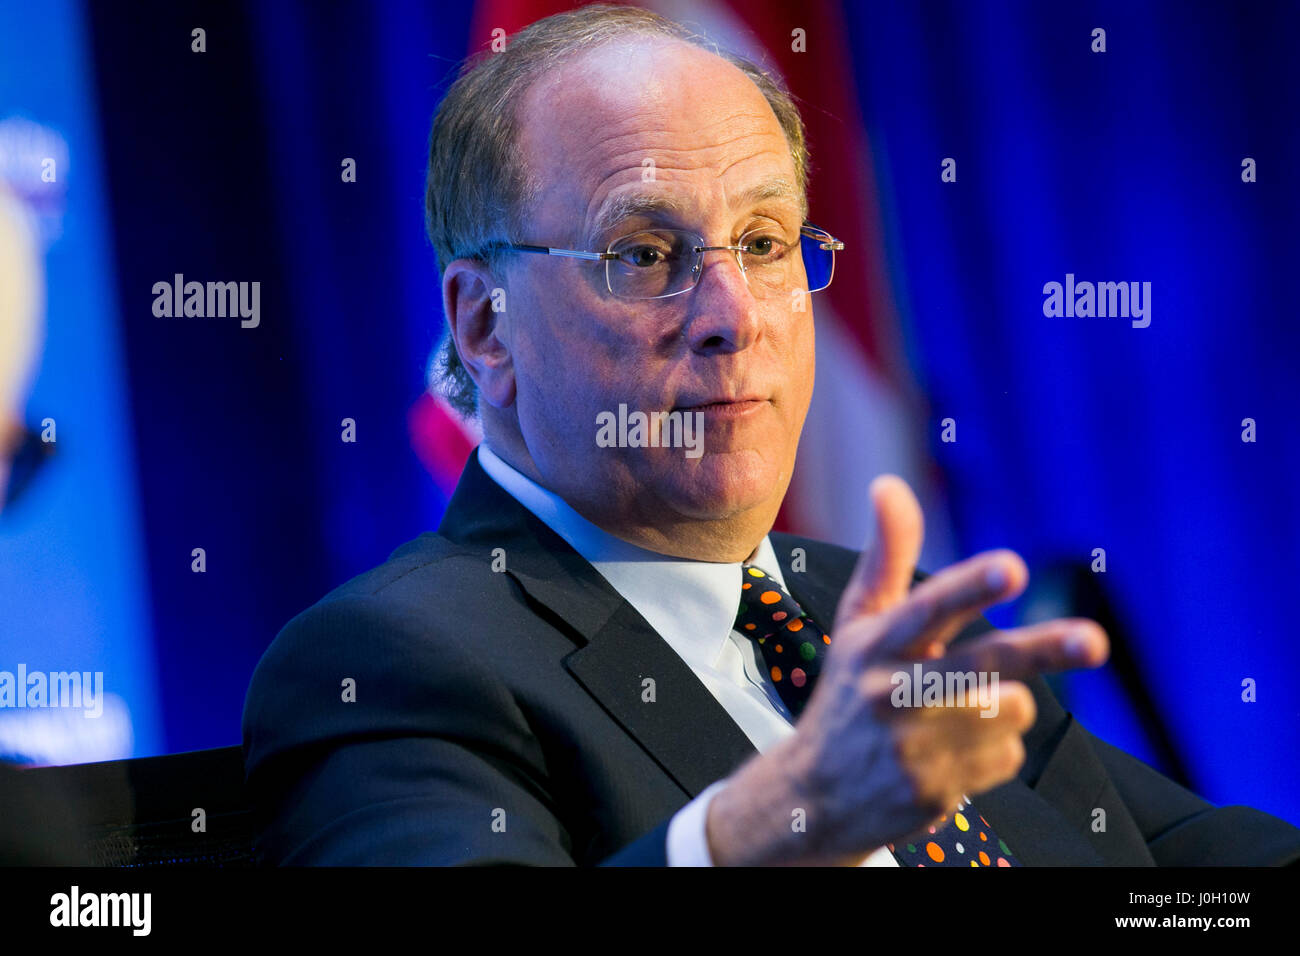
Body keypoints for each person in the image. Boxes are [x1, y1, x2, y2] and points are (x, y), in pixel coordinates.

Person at [241, 4, 1300, 867]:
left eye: (762, 241)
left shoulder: (862, 608)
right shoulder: (390, 663)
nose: (732, 312)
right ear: (484, 323)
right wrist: (774, 825)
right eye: (644, 252)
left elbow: (1188, 868)